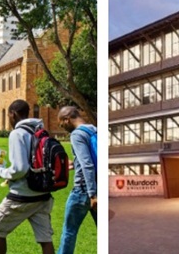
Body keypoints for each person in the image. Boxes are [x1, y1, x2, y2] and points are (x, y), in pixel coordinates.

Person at [0, 99, 54, 254]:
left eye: (8, 116)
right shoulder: (39, 132)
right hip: (43, 194)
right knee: (45, 239)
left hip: (23, 196)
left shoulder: (17, 134)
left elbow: (20, 168)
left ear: (13, 114)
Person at [56, 106, 97, 254]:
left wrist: (92, 194)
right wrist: (74, 164)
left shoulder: (77, 135)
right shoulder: (94, 130)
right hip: (97, 186)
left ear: (67, 119)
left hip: (83, 191)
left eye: (61, 123)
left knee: (69, 232)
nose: (62, 127)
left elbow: (88, 164)